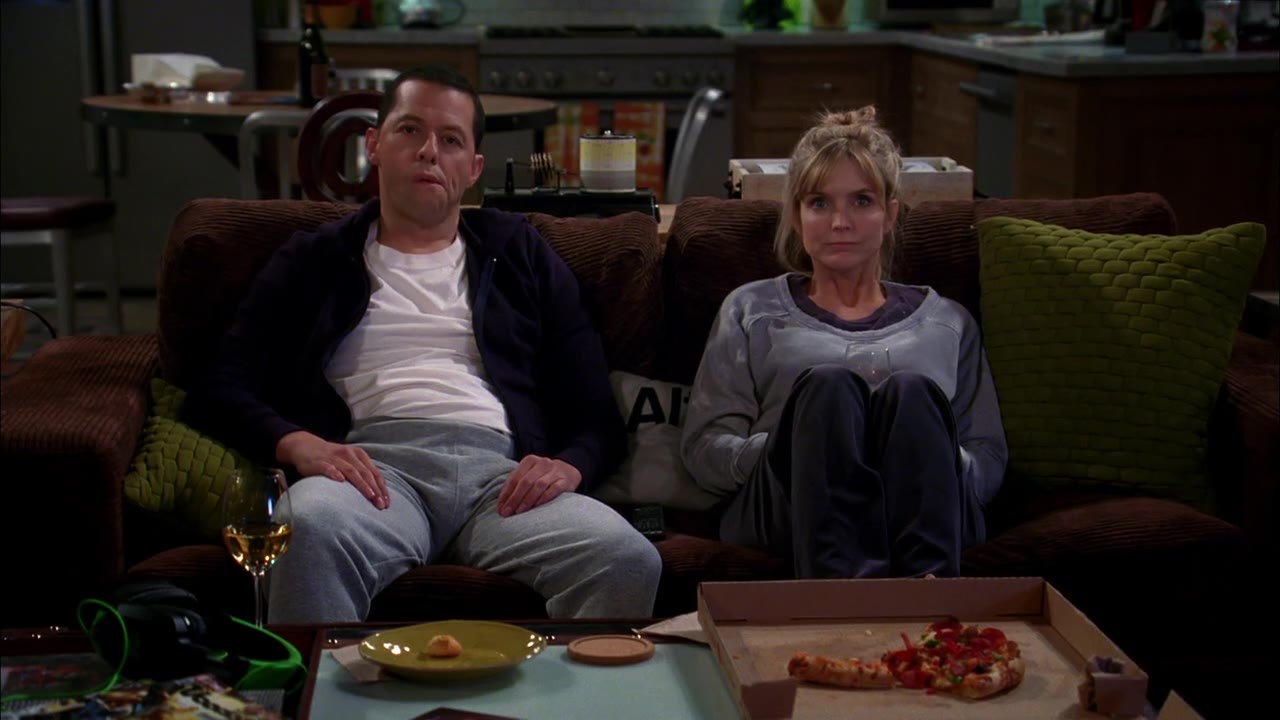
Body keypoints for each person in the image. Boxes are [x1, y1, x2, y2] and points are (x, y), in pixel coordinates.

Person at [188, 65, 661, 623]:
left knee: (627, 558)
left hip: (501, 483)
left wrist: (569, 466)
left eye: (451, 139)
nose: (429, 151)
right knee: (306, 528)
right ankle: (319, 683)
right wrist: (298, 444)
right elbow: (220, 384)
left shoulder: (520, 253)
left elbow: (596, 413)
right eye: (410, 130)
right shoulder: (313, 259)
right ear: (374, 145)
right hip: (370, 477)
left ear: (474, 168)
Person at [680, 106, 1007, 580]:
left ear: (890, 214)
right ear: (797, 216)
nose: (840, 222)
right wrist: (805, 447)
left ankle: (929, 592)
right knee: (829, 389)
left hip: (927, 512)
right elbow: (705, 450)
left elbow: (988, 460)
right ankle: (840, 592)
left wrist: (914, 452)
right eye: (819, 203)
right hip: (789, 512)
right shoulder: (751, 309)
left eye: (861, 201)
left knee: (912, 392)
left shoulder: (948, 321)